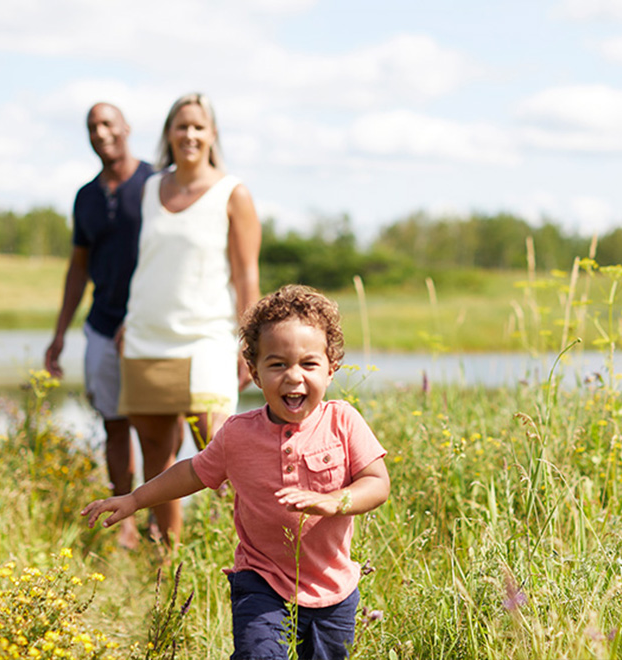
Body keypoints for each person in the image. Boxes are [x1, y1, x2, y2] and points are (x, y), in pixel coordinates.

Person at [83, 285, 390, 660]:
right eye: (277, 364)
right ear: (254, 373)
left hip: (333, 586)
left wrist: (333, 501)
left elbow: (377, 484)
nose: (293, 377)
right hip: (262, 579)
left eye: (308, 364)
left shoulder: (344, 422)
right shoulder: (237, 434)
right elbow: (191, 473)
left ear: (331, 370)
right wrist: (134, 499)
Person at [118, 92, 262, 547]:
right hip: (146, 338)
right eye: (181, 126)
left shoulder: (232, 193)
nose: (190, 135)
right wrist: (127, 319)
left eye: (199, 126)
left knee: (220, 453)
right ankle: (168, 563)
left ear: (212, 134)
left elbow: (246, 274)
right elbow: (147, 261)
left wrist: (250, 341)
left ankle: (244, 553)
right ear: (168, 134)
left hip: (208, 339)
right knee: (156, 459)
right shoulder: (148, 188)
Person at [45, 102, 153, 550]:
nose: (101, 132)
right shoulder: (86, 196)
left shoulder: (156, 183)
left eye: (109, 123)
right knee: (114, 423)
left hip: (150, 326)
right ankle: (124, 519)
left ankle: (163, 522)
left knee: (156, 425)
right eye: (93, 126)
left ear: (126, 127)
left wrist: (145, 316)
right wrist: (58, 335)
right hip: (101, 325)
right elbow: (78, 268)